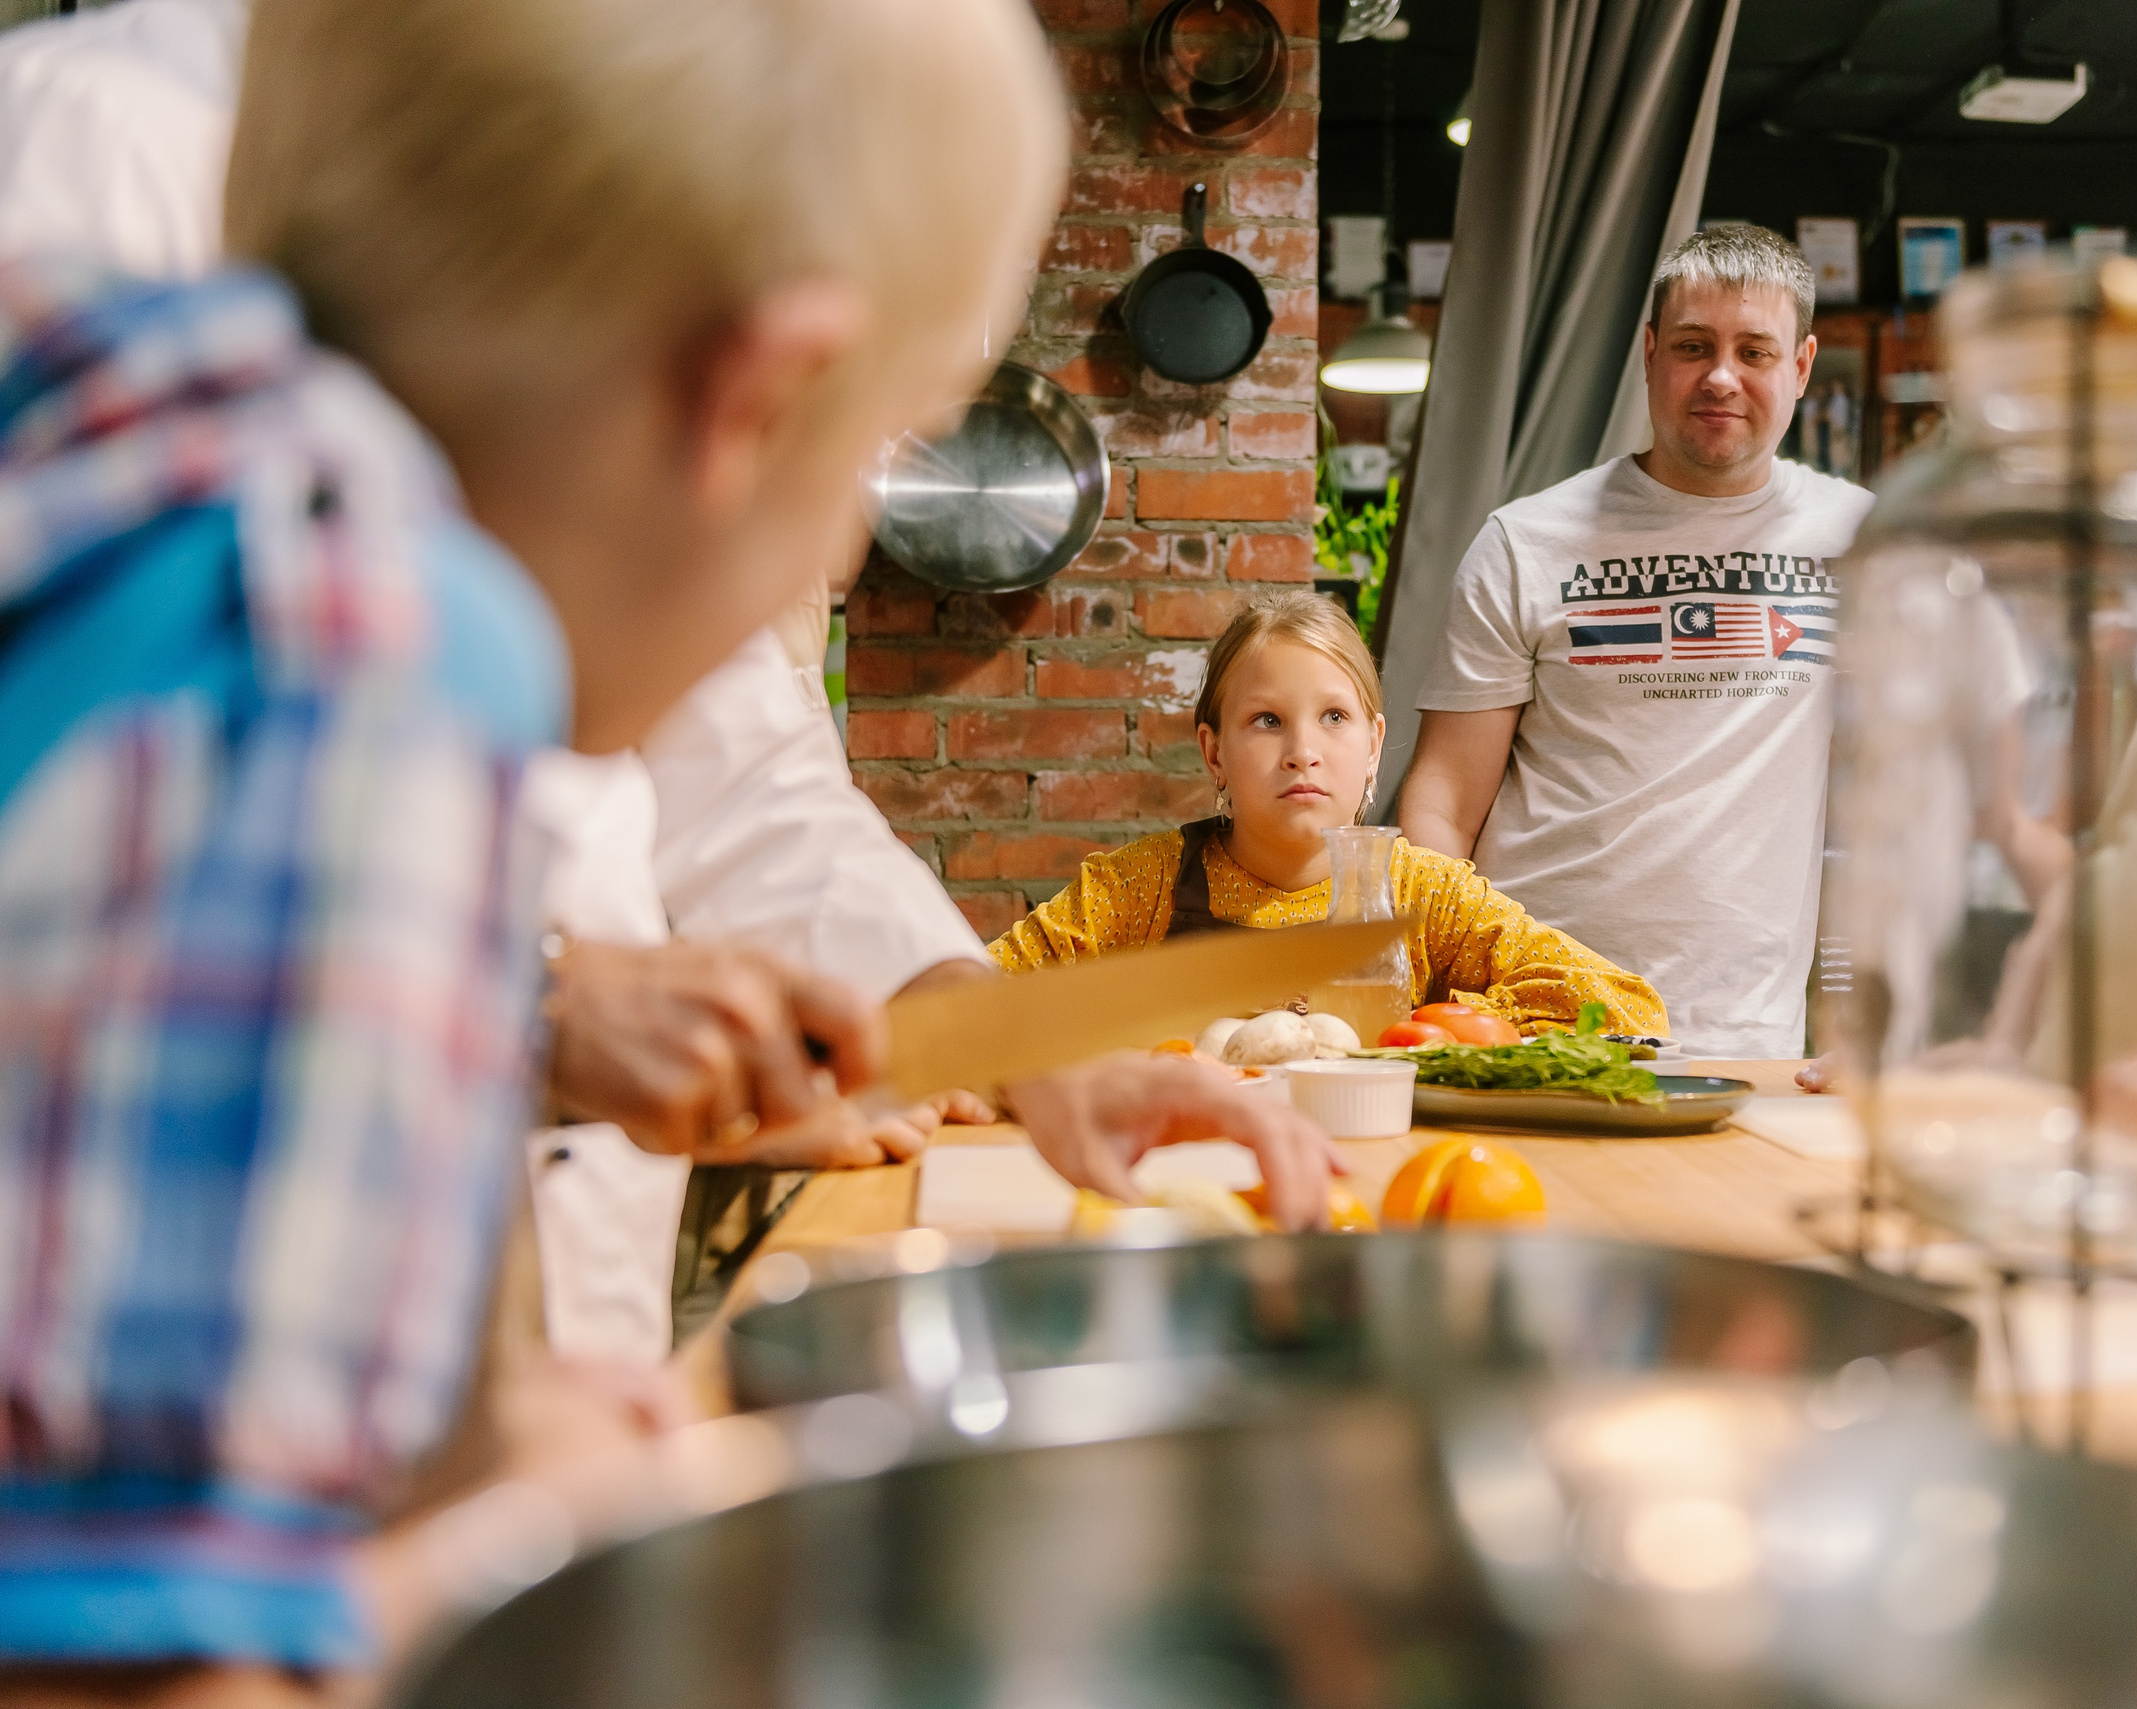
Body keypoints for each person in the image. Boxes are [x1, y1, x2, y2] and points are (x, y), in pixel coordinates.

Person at [0, 0, 1343, 1368]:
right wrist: (533, 997)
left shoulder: (559, 252)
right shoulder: (87, 152)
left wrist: (987, 1031)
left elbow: (736, 758)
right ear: (748, 396)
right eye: (862, 457)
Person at [0, 0, 1068, 1691]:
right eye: (886, 442)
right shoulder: (343, 638)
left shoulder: (205, 461)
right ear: (760, 389)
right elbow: (126, 1667)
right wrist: (531, 1551)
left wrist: (486, 1428)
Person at [1398, 224, 1872, 1057]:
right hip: (1534, 1016)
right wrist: (1456, 995)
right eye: (1694, 345)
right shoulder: (1526, 542)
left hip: (1744, 1038)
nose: (1721, 376)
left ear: (1800, 367)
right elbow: (1442, 803)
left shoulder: (1865, 543)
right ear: (1650, 353)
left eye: (1754, 352)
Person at [994, 592, 1667, 1037]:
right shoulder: (1137, 887)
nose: (1302, 753)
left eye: (1333, 718)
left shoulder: (1424, 893)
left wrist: (1433, 1030)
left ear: (1373, 744)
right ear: (1214, 750)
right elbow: (972, 1006)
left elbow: (1624, 1002)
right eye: (1266, 720)